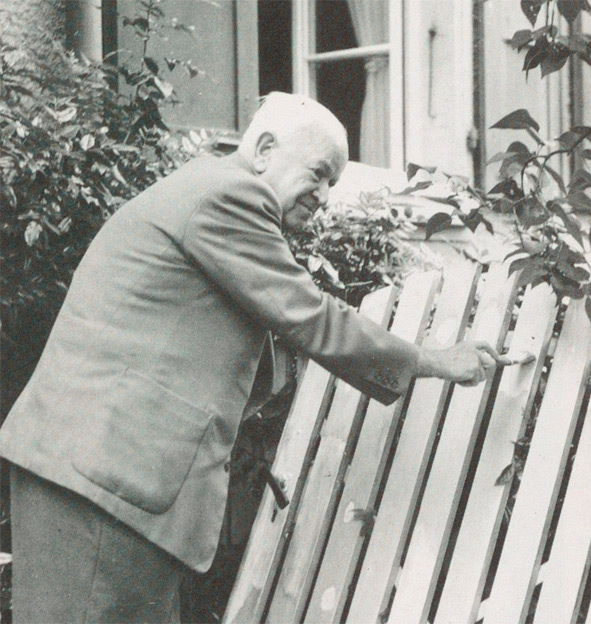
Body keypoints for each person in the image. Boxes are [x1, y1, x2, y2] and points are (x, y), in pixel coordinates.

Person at [0, 92, 509, 623]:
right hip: (106, 482)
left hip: (91, 473)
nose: (325, 195)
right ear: (265, 148)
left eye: (334, 181)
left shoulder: (204, 195)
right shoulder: (232, 195)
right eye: (318, 172)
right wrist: (436, 360)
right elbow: (312, 317)